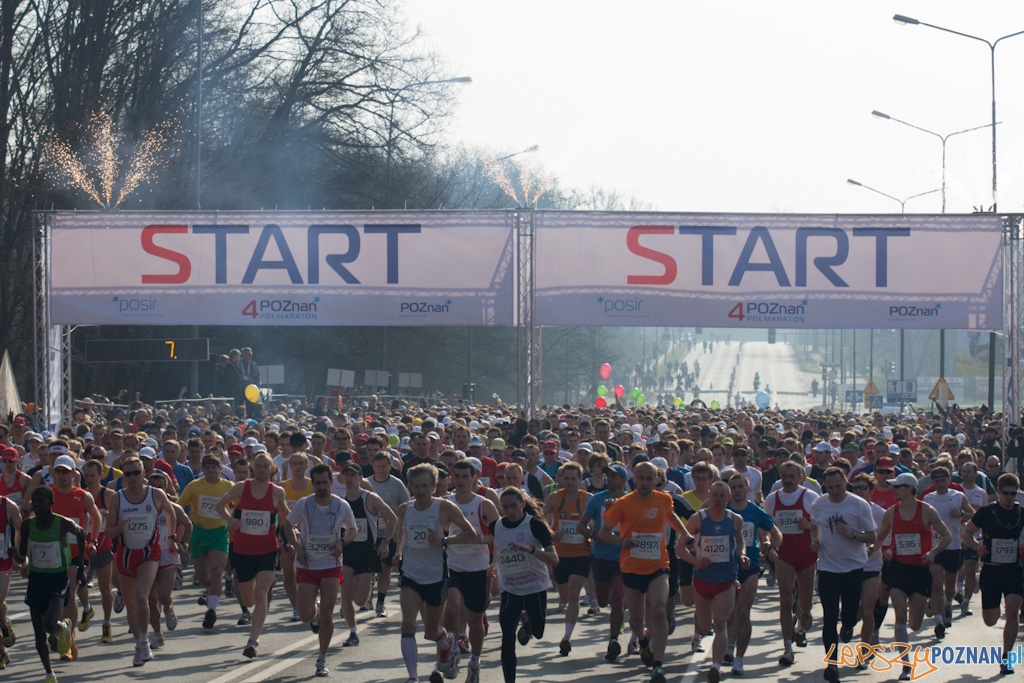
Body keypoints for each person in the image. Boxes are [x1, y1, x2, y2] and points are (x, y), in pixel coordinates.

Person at [599, 461, 692, 683]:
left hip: (659, 565)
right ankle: (642, 640)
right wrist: (621, 541)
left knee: (659, 609)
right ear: (634, 479)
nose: (645, 482)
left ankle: (658, 665)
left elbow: (670, 515)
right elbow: (603, 532)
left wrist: (685, 533)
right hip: (631, 567)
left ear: (657, 480)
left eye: (649, 479)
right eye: (640, 478)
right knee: (636, 621)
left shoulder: (664, 499)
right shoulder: (623, 504)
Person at [394, 462, 478, 683]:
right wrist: (397, 551)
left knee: (431, 632)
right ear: (410, 487)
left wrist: (444, 540)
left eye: (425, 486)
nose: (420, 491)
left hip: (436, 576)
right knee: (408, 624)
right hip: (410, 574)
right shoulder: (405, 509)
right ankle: (413, 677)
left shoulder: (445, 508)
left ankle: (447, 641)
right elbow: (399, 532)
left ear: (433, 487)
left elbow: (470, 534)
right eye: (416, 486)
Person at [871, 472, 951, 681]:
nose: (894, 490)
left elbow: (947, 536)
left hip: (919, 571)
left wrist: (933, 552)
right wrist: (872, 550)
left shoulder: (927, 511)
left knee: (915, 624)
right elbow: (879, 539)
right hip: (898, 569)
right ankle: (905, 665)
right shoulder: (891, 512)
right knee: (900, 614)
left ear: (910, 488)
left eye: (898, 486)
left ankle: (925, 610)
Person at [216, 451, 296, 658]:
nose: (261, 470)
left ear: (271, 469)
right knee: (249, 600)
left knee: (260, 594)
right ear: (253, 468)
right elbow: (219, 505)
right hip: (242, 550)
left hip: (267, 550)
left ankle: (253, 641)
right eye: (258, 466)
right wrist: (230, 520)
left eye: (265, 466)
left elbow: (285, 517)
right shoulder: (241, 487)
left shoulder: (277, 492)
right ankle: (255, 608)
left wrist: (293, 534)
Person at [287, 463, 357, 677]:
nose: (321, 487)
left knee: (328, 614)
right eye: (317, 483)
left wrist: (342, 543)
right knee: (305, 615)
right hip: (307, 564)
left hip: (331, 565)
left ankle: (322, 659)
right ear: (313, 484)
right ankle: (314, 611)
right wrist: (297, 547)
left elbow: (353, 529)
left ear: (331, 482)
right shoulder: (304, 503)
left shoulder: (341, 505)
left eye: (325, 482)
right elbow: (287, 525)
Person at [107, 455, 178, 667]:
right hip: (126, 554)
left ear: (143, 473)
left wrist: (172, 537)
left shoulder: (155, 494)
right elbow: (108, 533)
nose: (132, 477)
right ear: (123, 476)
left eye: (136, 473)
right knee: (131, 606)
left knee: (142, 596)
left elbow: (171, 512)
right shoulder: (117, 498)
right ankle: (138, 643)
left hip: (149, 553)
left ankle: (146, 641)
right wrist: (118, 528)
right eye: (127, 474)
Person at [810, 467, 877, 683]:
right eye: (830, 488)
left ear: (846, 482)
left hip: (853, 568)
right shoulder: (819, 504)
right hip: (827, 568)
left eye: (838, 486)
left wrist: (853, 534)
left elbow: (873, 536)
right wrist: (815, 541)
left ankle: (848, 626)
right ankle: (832, 664)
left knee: (849, 615)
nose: (835, 491)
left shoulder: (858, 504)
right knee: (829, 616)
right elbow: (814, 525)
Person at [16, 485, 86, 683]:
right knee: (39, 633)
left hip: (58, 579)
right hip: (37, 579)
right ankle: (49, 673)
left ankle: (63, 628)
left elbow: (81, 533)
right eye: (34, 501)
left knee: (48, 624)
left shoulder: (62, 523)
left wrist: (81, 568)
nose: (36, 504)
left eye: (41, 501)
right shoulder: (28, 525)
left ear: (51, 503)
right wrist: (18, 557)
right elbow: (22, 555)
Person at [681, 480, 748, 683]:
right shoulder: (697, 519)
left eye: (722, 496)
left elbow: (740, 541)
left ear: (728, 498)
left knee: (720, 623)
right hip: (702, 579)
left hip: (726, 579)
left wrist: (742, 555)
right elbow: (680, 549)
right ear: (709, 496)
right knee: (704, 627)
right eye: (715, 495)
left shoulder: (735, 519)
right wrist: (696, 561)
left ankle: (716, 666)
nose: (718, 499)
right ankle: (703, 635)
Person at [490, 486, 558, 683]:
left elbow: (554, 559)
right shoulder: (496, 526)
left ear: (523, 504)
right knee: (507, 638)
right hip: (510, 589)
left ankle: (528, 624)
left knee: (538, 632)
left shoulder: (535, 525)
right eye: (505, 507)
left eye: (514, 506)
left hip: (534, 587)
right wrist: (492, 563)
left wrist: (529, 549)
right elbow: (493, 542)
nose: (510, 511)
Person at [961, 472, 1024, 676]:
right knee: (991, 619)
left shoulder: (1021, 513)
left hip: (1014, 570)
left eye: (1013, 494)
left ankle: (1006, 658)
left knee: (1013, 609)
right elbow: (967, 532)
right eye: (1005, 493)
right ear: (998, 491)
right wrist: (977, 547)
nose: (1009, 497)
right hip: (991, 570)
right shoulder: (987, 512)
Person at [443, 459, 499, 683]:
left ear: (474, 478)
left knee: (475, 621)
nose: (460, 481)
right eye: (457, 476)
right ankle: (454, 649)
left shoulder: (483, 504)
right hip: (452, 565)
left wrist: (486, 545)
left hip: (477, 568)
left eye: (465, 476)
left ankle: (475, 661)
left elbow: (502, 533)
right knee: (451, 609)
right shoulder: (445, 503)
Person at [725, 472, 781, 676]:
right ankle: (729, 646)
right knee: (729, 612)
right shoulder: (724, 510)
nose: (737, 490)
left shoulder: (755, 511)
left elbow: (776, 533)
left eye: (741, 486)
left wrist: (773, 548)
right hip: (726, 567)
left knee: (743, 611)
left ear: (748, 489)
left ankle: (739, 658)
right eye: (734, 487)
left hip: (751, 566)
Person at [764, 460, 818, 666]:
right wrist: (767, 542)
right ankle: (788, 647)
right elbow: (765, 524)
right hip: (784, 553)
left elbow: (821, 524)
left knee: (805, 601)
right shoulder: (772, 499)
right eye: (784, 476)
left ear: (800, 477)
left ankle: (802, 616)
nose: (788, 480)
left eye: (792, 477)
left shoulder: (810, 497)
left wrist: (809, 525)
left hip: (806, 553)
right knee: (786, 599)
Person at [339, 461, 397, 646]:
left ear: (360, 478)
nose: (350, 478)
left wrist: (385, 542)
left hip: (366, 553)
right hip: (347, 553)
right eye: (347, 475)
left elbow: (392, 518)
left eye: (353, 475)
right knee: (345, 594)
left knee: (359, 600)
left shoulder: (370, 498)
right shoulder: (340, 501)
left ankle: (368, 581)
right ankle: (353, 632)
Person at [577, 462, 629, 662]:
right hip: (600, 556)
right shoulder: (597, 499)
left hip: (622, 558)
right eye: (608, 475)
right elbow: (581, 526)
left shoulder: (630, 500)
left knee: (617, 599)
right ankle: (620, 611)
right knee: (603, 601)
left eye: (614, 476)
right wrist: (594, 535)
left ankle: (613, 639)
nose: (610, 479)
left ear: (623, 479)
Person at [541, 461, 591, 657]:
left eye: (573, 479)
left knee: (574, 592)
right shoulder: (554, 497)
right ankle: (567, 629)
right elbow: (540, 518)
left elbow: (598, 521)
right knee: (565, 596)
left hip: (581, 553)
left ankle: (566, 637)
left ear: (579, 480)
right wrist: (551, 532)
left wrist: (590, 532)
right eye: (566, 478)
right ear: (560, 479)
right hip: (560, 554)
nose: (569, 482)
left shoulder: (588, 499)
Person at [177, 456, 233, 629]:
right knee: (202, 577)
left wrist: (233, 520)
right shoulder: (195, 486)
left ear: (220, 469)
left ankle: (211, 610)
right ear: (203, 469)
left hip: (219, 533)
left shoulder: (228, 486)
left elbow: (239, 504)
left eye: (214, 467)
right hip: (199, 533)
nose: (210, 470)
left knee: (217, 570)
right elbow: (180, 506)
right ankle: (209, 589)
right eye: (207, 467)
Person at [922, 466, 973, 634]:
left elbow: (972, 513)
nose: (940, 484)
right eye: (937, 481)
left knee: (950, 587)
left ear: (949, 480)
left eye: (943, 480)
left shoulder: (958, 496)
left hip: (953, 545)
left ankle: (948, 603)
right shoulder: (928, 498)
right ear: (932, 482)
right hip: (935, 547)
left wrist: (961, 513)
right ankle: (938, 620)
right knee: (937, 584)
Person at [80, 460, 116, 643]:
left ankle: (107, 623)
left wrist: (111, 517)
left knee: (105, 588)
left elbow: (117, 518)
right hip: (83, 545)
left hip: (102, 545)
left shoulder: (107, 495)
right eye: (86, 476)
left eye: (93, 475)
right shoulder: (81, 495)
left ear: (100, 475)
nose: (89, 479)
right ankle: (87, 608)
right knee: (79, 584)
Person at [850, 472, 885, 660]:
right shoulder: (847, 511)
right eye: (856, 488)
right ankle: (849, 622)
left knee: (868, 610)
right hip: (850, 566)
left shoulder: (879, 513)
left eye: (863, 488)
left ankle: (864, 650)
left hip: (872, 566)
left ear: (872, 490)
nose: (859, 491)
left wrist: (876, 547)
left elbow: (887, 538)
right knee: (852, 612)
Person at [0, 488, 23, 669]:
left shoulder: (8, 506)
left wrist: (17, 554)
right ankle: (2, 651)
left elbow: (20, 530)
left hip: (3, 561)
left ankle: (3, 622)